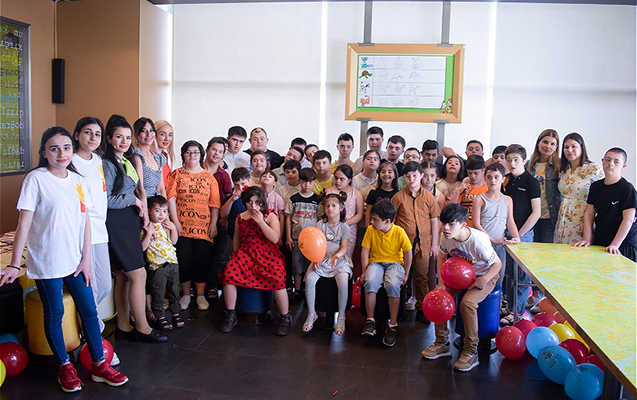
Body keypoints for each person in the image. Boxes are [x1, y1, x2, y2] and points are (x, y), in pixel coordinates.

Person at [0, 127, 129, 392]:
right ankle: (65, 367)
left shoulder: (78, 181)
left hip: (76, 261)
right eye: (54, 148)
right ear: (44, 152)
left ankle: (99, 365)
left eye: (67, 147)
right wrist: (14, 264)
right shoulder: (36, 179)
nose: (62, 153)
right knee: (55, 313)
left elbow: (85, 223)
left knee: (90, 311)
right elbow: (24, 224)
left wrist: (86, 259)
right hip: (46, 261)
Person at [102, 115, 168, 344]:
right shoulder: (107, 163)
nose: (124, 141)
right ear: (109, 139)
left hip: (129, 220)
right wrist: (133, 200)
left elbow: (137, 190)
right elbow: (105, 199)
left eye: (127, 137)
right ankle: (143, 327)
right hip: (116, 222)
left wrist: (138, 206)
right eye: (119, 137)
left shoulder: (125, 160)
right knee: (138, 274)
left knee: (123, 276)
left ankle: (123, 325)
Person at [421, 203, 501, 372]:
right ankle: (442, 343)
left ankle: (471, 351)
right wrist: (441, 283)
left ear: (463, 224)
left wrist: (484, 279)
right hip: (460, 275)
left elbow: (497, 264)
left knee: (467, 303)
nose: (446, 228)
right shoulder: (446, 236)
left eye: (451, 224)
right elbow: (442, 258)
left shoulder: (478, 241)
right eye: (444, 223)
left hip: (485, 274)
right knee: (439, 297)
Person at [221, 186, 291, 336]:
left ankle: (285, 317)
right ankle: (231, 314)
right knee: (229, 274)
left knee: (278, 278)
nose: (253, 206)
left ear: (262, 202)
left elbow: (274, 238)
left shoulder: (270, 216)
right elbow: (237, 239)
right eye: (250, 202)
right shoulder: (240, 217)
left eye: (257, 202)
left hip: (268, 254)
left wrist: (261, 222)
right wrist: (236, 255)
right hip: (246, 253)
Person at [71, 117, 113, 340]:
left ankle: (85, 323)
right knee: (92, 287)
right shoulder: (70, 161)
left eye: (97, 134)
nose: (93, 137)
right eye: (88, 132)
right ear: (77, 135)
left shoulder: (98, 160)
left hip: (100, 230)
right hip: (81, 233)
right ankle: (93, 336)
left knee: (104, 285)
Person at [167, 140, 221, 311]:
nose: (192, 155)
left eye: (195, 152)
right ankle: (185, 295)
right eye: (188, 152)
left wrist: (213, 224)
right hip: (181, 227)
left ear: (201, 155)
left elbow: (215, 204)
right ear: (183, 155)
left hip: (203, 228)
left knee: (201, 262)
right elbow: (171, 199)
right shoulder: (176, 174)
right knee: (184, 262)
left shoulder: (209, 177)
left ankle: (200, 295)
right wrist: (175, 222)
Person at [391, 161, 440, 321]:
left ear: (421, 176)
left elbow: (434, 220)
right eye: (408, 176)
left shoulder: (429, 198)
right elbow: (392, 222)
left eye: (415, 175)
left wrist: (434, 244)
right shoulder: (398, 197)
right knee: (401, 276)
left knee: (421, 277)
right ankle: (399, 309)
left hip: (423, 243)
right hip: (402, 244)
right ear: (404, 177)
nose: (411, 179)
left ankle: (421, 308)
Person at [360, 200, 413, 347]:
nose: (371, 222)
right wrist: (364, 271)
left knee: (393, 284)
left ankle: (393, 325)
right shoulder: (371, 230)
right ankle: (370, 321)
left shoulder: (399, 232)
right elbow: (365, 251)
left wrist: (406, 274)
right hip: (376, 262)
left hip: (395, 263)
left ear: (387, 221)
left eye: (375, 219)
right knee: (370, 281)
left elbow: (408, 253)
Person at [303, 192, 353, 335]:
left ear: (341, 207)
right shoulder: (320, 225)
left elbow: (344, 248)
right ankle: (311, 314)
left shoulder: (344, 227)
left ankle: (341, 317)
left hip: (339, 260)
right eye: (327, 206)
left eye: (333, 205)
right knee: (310, 279)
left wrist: (337, 256)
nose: (330, 208)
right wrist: (316, 258)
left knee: (342, 281)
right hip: (322, 258)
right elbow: (315, 245)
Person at [501, 144, 541, 324]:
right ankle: (510, 307)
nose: (512, 163)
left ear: (524, 161)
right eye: (509, 160)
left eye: (516, 160)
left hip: (523, 235)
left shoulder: (532, 182)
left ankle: (517, 312)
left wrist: (519, 234)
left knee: (521, 276)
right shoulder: (506, 180)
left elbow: (536, 213)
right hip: (506, 233)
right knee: (509, 274)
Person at [575, 147, 637, 261]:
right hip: (601, 240)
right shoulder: (596, 186)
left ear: (623, 166)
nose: (611, 164)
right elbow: (589, 213)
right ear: (602, 161)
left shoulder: (627, 189)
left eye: (616, 161)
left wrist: (615, 245)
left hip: (622, 244)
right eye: (608, 160)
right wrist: (587, 239)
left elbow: (628, 220)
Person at [525, 129, 561, 310]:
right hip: (531, 217)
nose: (548, 146)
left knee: (546, 260)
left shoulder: (559, 167)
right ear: (539, 142)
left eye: (553, 144)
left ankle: (547, 301)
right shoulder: (528, 165)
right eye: (545, 142)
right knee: (532, 260)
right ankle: (535, 296)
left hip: (549, 218)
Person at [472, 162, 520, 289]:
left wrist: (516, 237)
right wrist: (492, 239)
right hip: (482, 244)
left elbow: (510, 221)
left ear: (503, 179)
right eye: (489, 177)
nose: (492, 180)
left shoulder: (508, 200)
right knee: (481, 278)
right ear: (485, 179)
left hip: (500, 245)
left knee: (498, 278)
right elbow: (476, 224)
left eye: (496, 177)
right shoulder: (479, 200)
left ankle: (497, 301)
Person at [141, 195, 184, 331]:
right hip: (157, 266)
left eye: (165, 211)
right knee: (158, 293)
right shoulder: (147, 227)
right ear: (149, 211)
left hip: (172, 262)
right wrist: (149, 234)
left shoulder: (166, 225)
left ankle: (176, 313)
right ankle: (159, 316)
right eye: (157, 210)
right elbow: (142, 248)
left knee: (174, 290)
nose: (161, 214)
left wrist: (173, 229)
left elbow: (174, 241)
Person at [554, 132, 604, 244]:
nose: (569, 150)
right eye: (566, 147)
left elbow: (603, 196)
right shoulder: (563, 170)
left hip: (583, 217)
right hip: (562, 218)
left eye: (574, 146)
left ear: (581, 148)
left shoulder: (593, 169)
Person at [203, 137, 233, 300]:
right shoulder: (196, 169)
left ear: (223, 155)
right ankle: (196, 286)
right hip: (197, 218)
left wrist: (224, 218)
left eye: (220, 152)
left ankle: (212, 286)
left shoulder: (224, 175)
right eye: (214, 149)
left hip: (219, 219)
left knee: (217, 255)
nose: (216, 153)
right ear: (207, 150)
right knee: (199, 254)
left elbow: (228, 198)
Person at [285, 168, 320, 303]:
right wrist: (288, 237)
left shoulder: (317, 200)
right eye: (304, 182)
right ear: (299, 181)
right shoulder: (293, 198)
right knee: (296, 265)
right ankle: (298, 290)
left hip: (312, 240)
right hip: (296, 238)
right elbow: (288, 218)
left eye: (310, 182)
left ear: (314, 182)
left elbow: (320, 219)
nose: (307, 185)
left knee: (309, 265)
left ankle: (308, 290)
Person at [323, 165, 364, 257]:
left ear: (349, 180)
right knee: (328, 255)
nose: (338, 181)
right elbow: (324, 210)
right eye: (336, 178)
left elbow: (359, 214)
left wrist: (345, 224)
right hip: (330, 228)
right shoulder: (329, 191)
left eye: (342, 179)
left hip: (349, 229)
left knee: (346, 256)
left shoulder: (356, 194)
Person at [448, 155, 487, 228]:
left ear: (483, 171)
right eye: (470, 173)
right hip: (465, 227)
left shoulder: (488, 188)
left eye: (476, 173)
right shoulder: (463, 187)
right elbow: (451, 208)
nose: (472, 176)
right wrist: (457, 191)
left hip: (483, 227)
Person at [132, 117, 166, 201]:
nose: (149, 134)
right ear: (136, 134)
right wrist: (146, 210)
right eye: (144, 131)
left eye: (151, 130)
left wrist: (164, 207)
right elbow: (139, 190)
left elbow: (161, 188)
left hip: (157, 203)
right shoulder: (136, 155)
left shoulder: (158, 157)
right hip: (143, 202)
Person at [220, 167, 250, 246]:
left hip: (251, 234)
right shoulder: (232, 198)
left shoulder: (254, 196)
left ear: (249, 181)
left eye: (243, 184)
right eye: (237, 185)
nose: (240, 188)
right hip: (233, 234)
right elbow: (222, 214)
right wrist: (231, 200)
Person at [365, 162, 399, 226]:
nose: (386, 174)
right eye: (383, 172)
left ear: (394, 175)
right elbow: (368, 214)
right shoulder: (373, 193)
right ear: (379, 175)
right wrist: (368, 229)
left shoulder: (398, 194)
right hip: (374, 227)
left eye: (390, 172)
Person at [260, 169, 285, 234]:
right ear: (260, 181)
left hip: (273, 229)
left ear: (275, 183)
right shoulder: (256, 196)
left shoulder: (278, 198)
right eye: (264, 176)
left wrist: (280, 235)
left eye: (270, 177)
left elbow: (281, 218)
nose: (266, 177)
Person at [153, 120, 175, 184]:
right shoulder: (150, 156)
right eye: (162, 134)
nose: (167, 139)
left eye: (170, 135)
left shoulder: (164, 156)